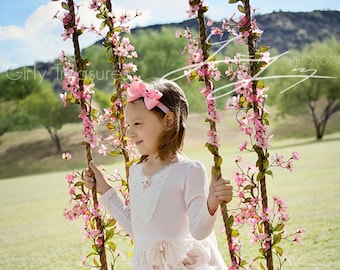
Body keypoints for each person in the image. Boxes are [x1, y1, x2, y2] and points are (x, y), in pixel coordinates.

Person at [84, 79, 233, 269]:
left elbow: (198, 231)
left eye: (137, 123)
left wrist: (211, 204)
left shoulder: (188, 171)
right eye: (128, 125)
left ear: (168, 121)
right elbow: (137, 230)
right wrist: (104, 190)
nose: (129, 133)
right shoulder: (136, 172)